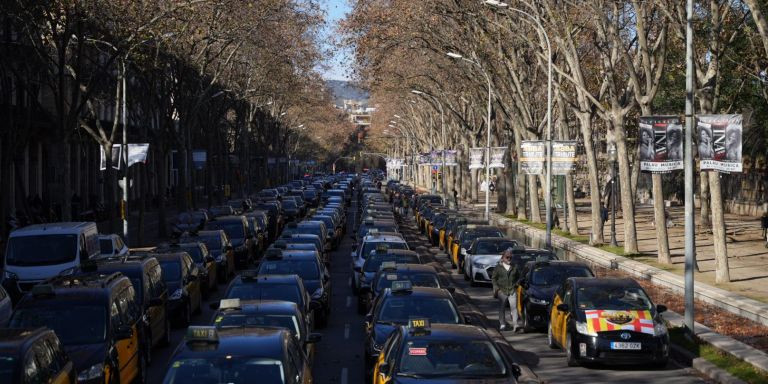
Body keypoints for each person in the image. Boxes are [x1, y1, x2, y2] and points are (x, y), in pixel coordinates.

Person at [492, 249, 520, 332]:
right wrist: (497, 288)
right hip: (502, 290)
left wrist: (516, 285)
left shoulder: (515, 267)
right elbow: (494, 278)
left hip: (512, 290)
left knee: (514, 307)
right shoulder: (498, 267)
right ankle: (502, 324)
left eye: (510, 257)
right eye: (507, 257)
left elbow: (518, 277)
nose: (509, 259)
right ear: (503, 258)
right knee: (502, 308)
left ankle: (515, 324)